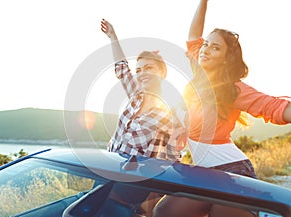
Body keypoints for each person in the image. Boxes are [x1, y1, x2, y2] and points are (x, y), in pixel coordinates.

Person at [153, 0, 291, 216]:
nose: (205, 49)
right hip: (202, 173)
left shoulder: (232, 89)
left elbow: (273, 107)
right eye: (206, 44)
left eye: (215, 47)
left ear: (226, 60)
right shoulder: (198, 75)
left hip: (233, 171)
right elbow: (193, 38)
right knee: (165, 211)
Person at [101, 18, 181, 161]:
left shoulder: (169, 113)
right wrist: (113, 36)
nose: (142, 73)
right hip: (110, 167)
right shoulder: (136, 97)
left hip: (136, 179)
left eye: (149, 67)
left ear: (162, 72)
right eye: (138, 70)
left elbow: (175, 154)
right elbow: (122, 69)